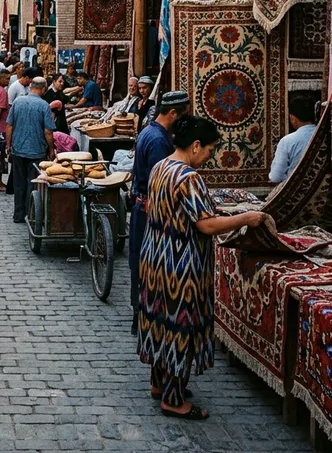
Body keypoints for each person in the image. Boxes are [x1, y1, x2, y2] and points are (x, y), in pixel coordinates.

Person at [138, 115, 265, 420]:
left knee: (161, 320)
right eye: (209, 149)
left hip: (156, 256)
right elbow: (206, 225)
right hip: (181, 263)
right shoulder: (188, 177)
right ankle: (173, 398)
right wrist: (245, 218)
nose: (210, 156)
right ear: (195, 146)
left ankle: (159, 383)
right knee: (181, 325)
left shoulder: (161, 167)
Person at [129, 90, 190, 335]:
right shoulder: (157, 141)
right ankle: (144, 316)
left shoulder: (151, 132)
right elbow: (160, 182)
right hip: (150, 210)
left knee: (141, 263)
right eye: (183, 114)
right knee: (149, 264)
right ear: (173, 113)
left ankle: (140, 315)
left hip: (143, 208)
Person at [6, 78, 56, 224]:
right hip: (37, 151)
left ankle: (18, 214)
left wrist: (8, 145)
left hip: (18, 149)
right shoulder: (44, 105)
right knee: (33, 183)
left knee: (19, 182)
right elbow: (48, 131)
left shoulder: (17, 102)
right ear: (43, 89)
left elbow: (9, 126)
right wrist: (51, 148)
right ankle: (31, 214)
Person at [270, 95, 317, 183]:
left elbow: (275, 177)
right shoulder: (326, 136)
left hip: (296, 193)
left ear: (293, 118)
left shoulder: (287, 141)